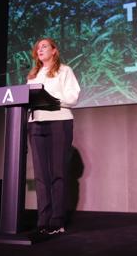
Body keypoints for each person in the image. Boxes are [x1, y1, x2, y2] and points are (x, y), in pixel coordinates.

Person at [26, 38, 81, 236]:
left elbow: (73, 97)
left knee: (58, 173)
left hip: (59, 121)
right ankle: (43, 219)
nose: (40, 49)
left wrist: (51, 100)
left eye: (44, 46)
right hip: (35, 124)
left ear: (54, 51)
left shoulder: (64, 71)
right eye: (38, 47)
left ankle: (57, 220)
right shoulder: (32, 75)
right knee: (41, 175)